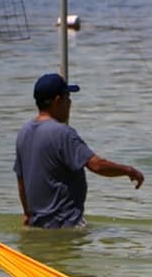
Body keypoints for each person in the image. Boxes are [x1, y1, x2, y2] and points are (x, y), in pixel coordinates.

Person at [15, 73, 144, 228]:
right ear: (57, 100)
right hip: (66, 223)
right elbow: (97, 165)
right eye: (68, 98)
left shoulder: (23, 133)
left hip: (37, 223)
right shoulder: (63, 133)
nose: (70, 103)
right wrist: (129, 171)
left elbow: (21, 180)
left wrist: (27, 213)